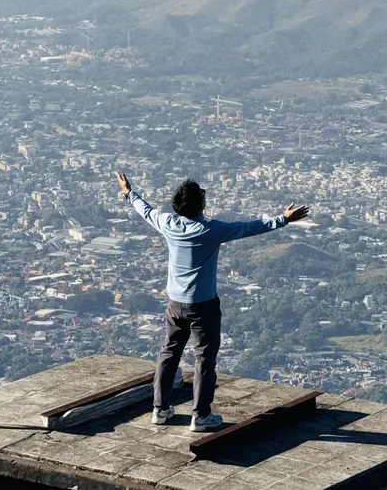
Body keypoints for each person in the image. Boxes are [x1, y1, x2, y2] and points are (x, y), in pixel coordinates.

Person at [115, 172, 309, 432]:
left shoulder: (167, 222)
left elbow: (145, 210)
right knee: (204, 358)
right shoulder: (211, 229)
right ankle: (201, 415)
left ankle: (160, 409)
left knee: (169, 353)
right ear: (201, 205)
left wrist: (129, 193)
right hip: (203, 304)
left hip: (175, 302)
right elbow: (248, 227)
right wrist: (283, 219)